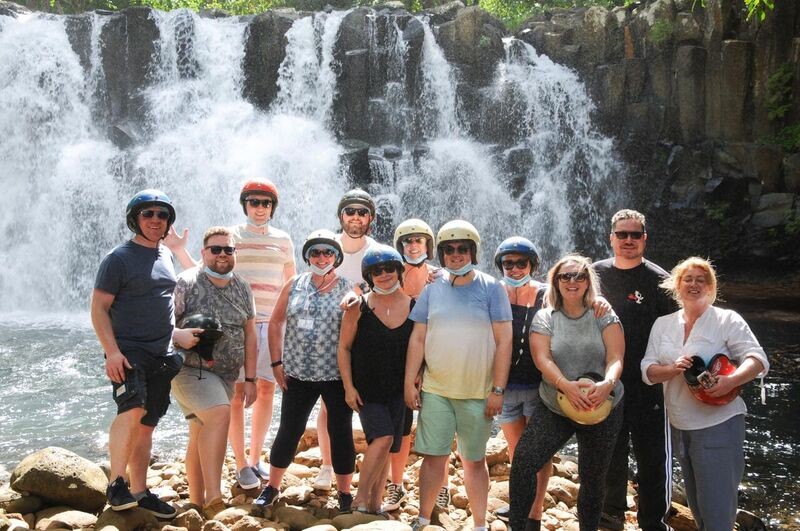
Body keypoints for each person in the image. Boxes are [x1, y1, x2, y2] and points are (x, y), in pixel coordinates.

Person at [167, 179, 295, 490]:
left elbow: (290, 285)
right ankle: (239, 463)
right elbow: (206, 271)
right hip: (238, 327)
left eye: (266, 203)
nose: (260, 208)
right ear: (245, 205)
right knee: (236, 395)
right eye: (254, 202)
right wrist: (180, 252)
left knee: (265, 391)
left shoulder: (283, 240)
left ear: (273, 208)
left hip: (270, 325)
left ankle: (255, 457)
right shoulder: (232, 237)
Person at [641, 257, 768, 531]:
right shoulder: (662, 324)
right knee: (698, 507)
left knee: (717, 512)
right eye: (688, 279)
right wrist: (672, 369)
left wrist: (729, 380)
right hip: (679, 426)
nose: (694, 284)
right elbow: (647, 371)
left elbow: (757, 359)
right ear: (677, 285)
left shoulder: (726, 319)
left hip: (719, 425)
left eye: (701, 280)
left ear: (711, 287)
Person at [404, 220, 513, 531]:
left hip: (478, 393)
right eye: (449, 249)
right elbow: (418, 338)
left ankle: (479, 524)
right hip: (436, 389)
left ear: (473, 251)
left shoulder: (492, 289)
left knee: (474, 460)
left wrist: (499, 390)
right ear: (440, 252)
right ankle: (424, 518)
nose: (455, 254)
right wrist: (409, 381)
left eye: (462, 248)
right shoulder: (431, 289)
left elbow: (505, 341)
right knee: (433, 457)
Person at [510, 254, 625, 531]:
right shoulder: (545, 316)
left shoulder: (603, 312)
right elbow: (542, 359)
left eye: (579, 276)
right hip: (557, 404)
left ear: (588, 282)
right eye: (565, 276)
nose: (572, 281)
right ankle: (520, 526)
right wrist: (565, 385)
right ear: (556, 281)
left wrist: (607, 384)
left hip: (603, 403)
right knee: (524, 461)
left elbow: (616, 357)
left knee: (593, 476)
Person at [90, 189, 181, 518]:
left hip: (162, 355)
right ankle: (116, 483)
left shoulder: (167, 256)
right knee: (131, 411)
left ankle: (141, 491)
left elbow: (167, 304)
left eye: (162, 214)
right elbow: (99, 308)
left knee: (147, 424)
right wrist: (111, 352)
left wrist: (178, 337)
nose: (156, 220)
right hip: (128, 353)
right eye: (148, 214)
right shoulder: (118, 258)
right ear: (135, 219)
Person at [254, 230, 355, 512]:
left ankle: (345, 493)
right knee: (289, 429)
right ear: (307, 256)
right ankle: (272, 486)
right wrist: (276, 363)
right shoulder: (294, 284)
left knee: (341, 431)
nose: (321, 258)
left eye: (327, 253)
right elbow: (275, 324)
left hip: (335, 375)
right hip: (297, 373)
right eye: (315, 252)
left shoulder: (348, 287)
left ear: (336, 257)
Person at [593, 209, 676, 531]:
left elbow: (679, 328)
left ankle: (654, 522)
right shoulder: (594, 275)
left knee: (652, 456)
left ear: (644, 239)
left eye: (635, 234)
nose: (629, 240)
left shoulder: (661, 280)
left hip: (648, 382)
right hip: (604, 381)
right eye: (622, 234)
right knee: (609, 452)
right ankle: (610, 514)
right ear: (611, 237)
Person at [171, 226, 258, 519]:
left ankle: (195, 503)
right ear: (203, 253)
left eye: (228, 249)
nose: (222, 254)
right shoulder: (186, 282)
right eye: (216, 249)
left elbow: (250, 334)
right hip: (189, 370)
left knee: (199, 430)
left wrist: (251, 378)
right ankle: (214, 497)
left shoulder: (242, 287)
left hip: (228, 375)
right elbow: (163, 325)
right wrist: (177, 335)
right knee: (220, 413)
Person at [338, 245, 415, 514]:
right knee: (382, 438)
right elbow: (344, 347)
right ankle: (359, 498)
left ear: (399, 271)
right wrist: (348, 387)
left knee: (387, 446)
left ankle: (374, 504)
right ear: (369, 276)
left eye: (389, 268)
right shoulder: (357, 307)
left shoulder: (415, 307)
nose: (384, 274)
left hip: (399, 391)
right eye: (376, 270)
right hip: (367, 390)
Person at [313, 188, 379, 491]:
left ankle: (372, 469)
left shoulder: (377, 252)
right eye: (350, 211)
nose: (356, 217)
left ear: (371, 218)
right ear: (341, 215)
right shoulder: (325, 247)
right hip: (328, 336)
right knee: (329, 404)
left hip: (365, 338)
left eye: (362, 212)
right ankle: (327, 465)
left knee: (365, 399)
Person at [383, 218, 446, 512]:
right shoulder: (389, 276)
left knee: (440, 423)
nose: (413, 246)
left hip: (436, 359)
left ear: (428, 245)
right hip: (398, 360)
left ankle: (443, 485)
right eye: (408, 241)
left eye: (419, 241)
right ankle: (396, 483)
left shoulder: (441, 277)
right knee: (402, 426)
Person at [490, 237, 551, 524]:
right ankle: (520, 503)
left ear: (533, 265)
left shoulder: (548, 294)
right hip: (505, 386)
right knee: (517, 450)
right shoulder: (494, 292)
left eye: (521, 263)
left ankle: (535, 511)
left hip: (539, 386)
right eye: (508, 263)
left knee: (538, 449)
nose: (514, 269)